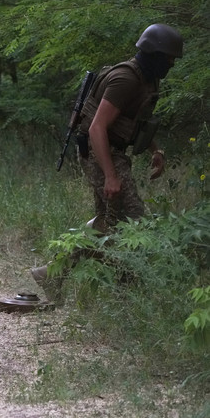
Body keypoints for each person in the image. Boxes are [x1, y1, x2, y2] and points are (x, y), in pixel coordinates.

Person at [32, 23, 184, 301]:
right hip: (100, 151)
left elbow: (131, 121)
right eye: (169, 58)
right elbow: (97, 128)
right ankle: (127, 289)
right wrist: (111, 175)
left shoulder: (147, 77)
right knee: (135, 223)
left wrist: (154, 149)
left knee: (111, 224)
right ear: (153, 54)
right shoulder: (125, 79)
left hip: (112, 151)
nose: (172, 63)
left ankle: (55, 273)